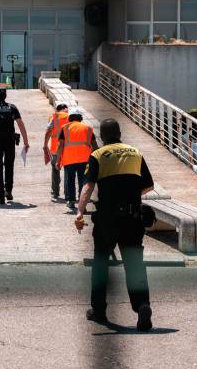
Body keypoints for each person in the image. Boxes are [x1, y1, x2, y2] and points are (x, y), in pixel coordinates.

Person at [74, 119, 155, 332]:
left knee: (100, 264)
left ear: (102, 136)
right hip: (132, 218)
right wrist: (129, 195)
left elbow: (88, 186)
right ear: (120, 133)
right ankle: (142, 306)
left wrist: (80, 211)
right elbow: (149, 186)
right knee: (134, 265)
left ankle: (99, 311)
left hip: (107, 220)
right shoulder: (135, 153)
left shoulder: (98, 155)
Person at [0, 87, 29, 206]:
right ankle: (8, 190)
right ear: (5, 95)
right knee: (9, 165)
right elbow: (20, 124)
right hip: (9, 140)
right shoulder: (12, 107)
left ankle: (0, 195)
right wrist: (25, 141)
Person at [54, 107, 98, 209]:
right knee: (83, 181)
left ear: (70, 117)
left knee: (70, 180)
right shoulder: (88, 128)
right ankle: (83, 202)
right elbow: (95, 146)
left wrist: (58, 161)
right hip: (84, 160)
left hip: (69, 160)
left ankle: (71, 201)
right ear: (80, 117)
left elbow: (60, 146)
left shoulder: (64, 128)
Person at [43, 103, 69, 199]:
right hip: (68, 148)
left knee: (55, 169)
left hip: (55, 148)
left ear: (57, 110)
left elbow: (49, 130)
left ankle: (55, 191)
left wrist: (45, 144)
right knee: (68, 170)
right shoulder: (71, 116)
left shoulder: (54, 117)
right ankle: (68, 193)